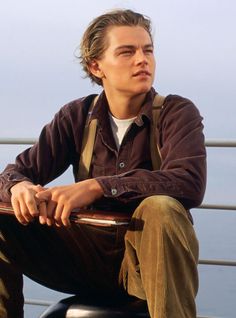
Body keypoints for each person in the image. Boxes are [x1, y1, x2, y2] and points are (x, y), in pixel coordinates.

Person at [0, 9, 206, 318]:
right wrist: (20, 188)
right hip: (83, 262)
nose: (142, 59)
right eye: (127, 52)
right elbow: (14, 172)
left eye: (147, 50)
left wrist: (98, 187)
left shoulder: (177, 113)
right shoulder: (76, 116)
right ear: (96, 66)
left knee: (161, 208)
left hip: (144, 268)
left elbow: (188, 182)